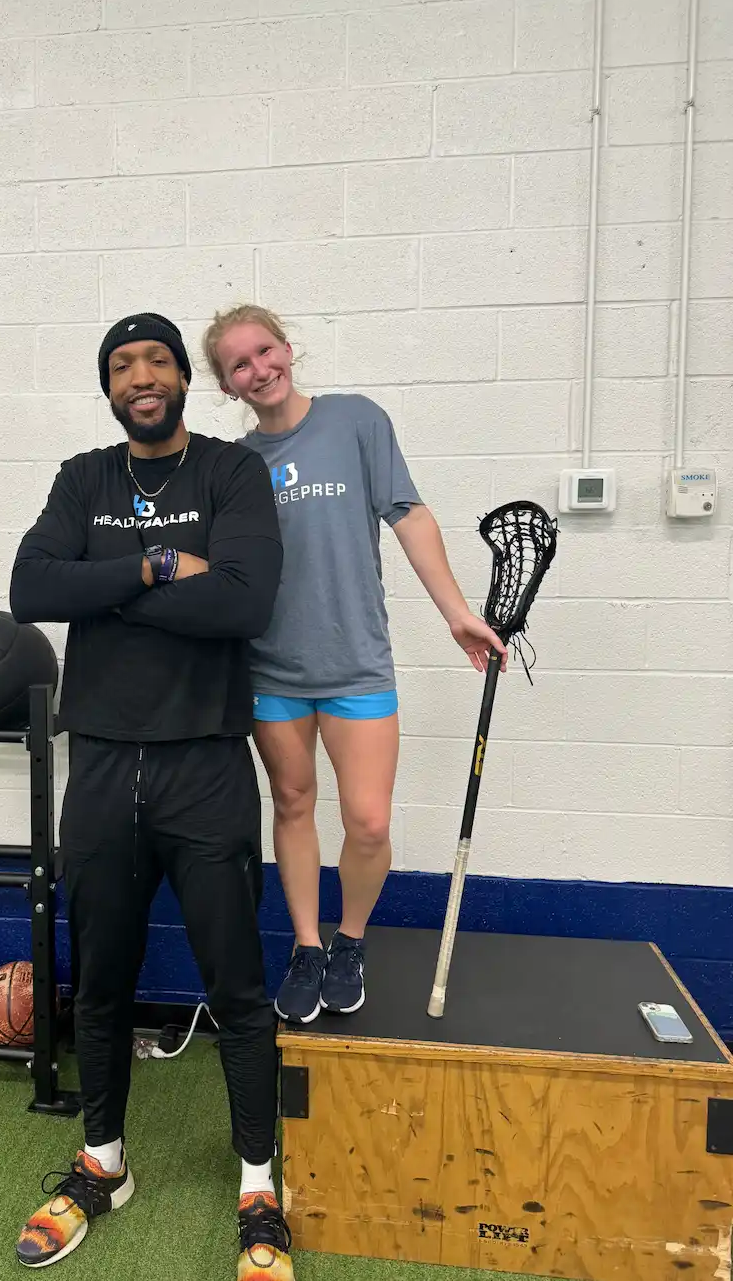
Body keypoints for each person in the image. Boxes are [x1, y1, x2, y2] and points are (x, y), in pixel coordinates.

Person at [8, 312, 295, 1280]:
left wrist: (101, 587)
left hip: (204, 763)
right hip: (99, 765)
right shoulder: (82, 478)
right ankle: (103, 1162)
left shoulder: (229, 472)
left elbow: (245, 600)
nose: (142, 375)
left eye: (158, 360)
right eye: (123, 364)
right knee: (99, 983)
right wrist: (158, 565)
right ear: (108, 386)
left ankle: (258, 1183)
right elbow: (32, 588)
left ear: (182, 378)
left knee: (237, 988)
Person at [201, 304, 507, 1028]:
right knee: (293, 804)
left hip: (356, 663)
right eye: (239, 364)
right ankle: (307, 947)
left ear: (288, 348)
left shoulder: (356, 421)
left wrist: (456, 611)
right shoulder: (234, 465)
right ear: (226, 383)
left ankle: (351, 940)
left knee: (368, 822)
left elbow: (410, 515)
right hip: (271, 671)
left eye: (266, 350)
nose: (259, 369)